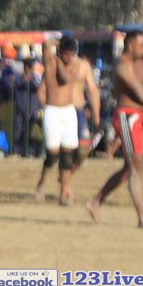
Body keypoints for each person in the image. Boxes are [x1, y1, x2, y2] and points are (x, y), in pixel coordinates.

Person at [86, 31, 143, 229]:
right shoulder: (123, 64)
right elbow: (141, 94)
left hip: (138, 119)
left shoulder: (140, 63)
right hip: (126, 118)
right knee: (135, 167)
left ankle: (95, 202)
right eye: (142, 46)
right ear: (130, 46)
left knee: (131, 168)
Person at [34, 38, 82, 205]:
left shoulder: (75, 65)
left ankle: (63, 195)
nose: (69, 57)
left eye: (71, 54)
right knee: (52, 156)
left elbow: (66, 78)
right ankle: (42, 182)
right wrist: (58, 45)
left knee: (67, 156)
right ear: (60, 52)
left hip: (68, 112)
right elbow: (46, 44)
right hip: (52, 111)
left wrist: (59, 60)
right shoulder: (50, 62)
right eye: (65, 54)